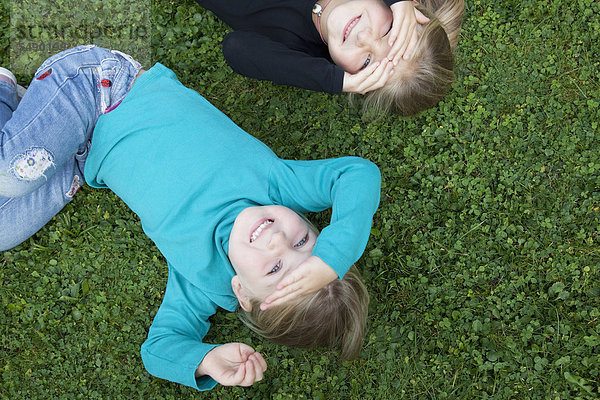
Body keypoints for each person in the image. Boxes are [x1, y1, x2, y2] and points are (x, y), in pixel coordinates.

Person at [0, 45, 380, 390]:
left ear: (242, 293)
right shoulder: (280, 186)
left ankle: (21, 113)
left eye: (275, 267)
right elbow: (358, 174)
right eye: (304, 242)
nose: (278, 239)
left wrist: (204, 360)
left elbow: (159, 348)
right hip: (103, 90)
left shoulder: (201, 281)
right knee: (11, 177)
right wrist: (336, 255)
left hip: (81, 160)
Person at [193, 0, 464, 115]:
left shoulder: (297, 50)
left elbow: (236, 48)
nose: (364, 39)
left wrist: (336, 82)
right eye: (388, 31)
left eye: (367, 63)